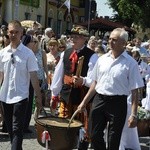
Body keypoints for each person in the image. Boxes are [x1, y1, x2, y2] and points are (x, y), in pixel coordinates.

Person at [77, 28, 144, 150]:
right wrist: (84, 102)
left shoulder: (130, 63)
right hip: (99, 100)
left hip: (118, 103)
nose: (110, 42)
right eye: (109, 39)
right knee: (94, 134)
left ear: (123, 43)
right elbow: (95, 83)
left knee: (114, 138)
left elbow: (135, 91)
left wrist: (134, 114)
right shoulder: (101, 59)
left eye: (114, 40)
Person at [50, 25, 98, 150]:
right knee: (64, 127)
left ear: (84, 39)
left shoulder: (92, 56)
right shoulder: (66, 53)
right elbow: (58, 74)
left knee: (82, 129)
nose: (73, 39)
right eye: (72, 37)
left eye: (77, 37)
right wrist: (54, 94)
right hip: (66, 96)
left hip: (83, 98)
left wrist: (83, 80)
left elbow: (94, 80)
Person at [0, 20, 42, 150]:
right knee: (11, 130)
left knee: (17, 128)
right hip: (5, 96)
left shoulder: (28, 53)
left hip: (21, 96)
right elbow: (0, 75)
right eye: (11, 32)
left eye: (16, 32)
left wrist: (38, 96)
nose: (13, 35)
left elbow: (34, 77)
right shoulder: (3, 53)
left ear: (21, 33)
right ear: (7, 33)